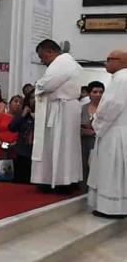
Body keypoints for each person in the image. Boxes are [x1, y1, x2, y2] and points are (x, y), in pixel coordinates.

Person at [32, 39, 83, 193]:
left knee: (62, 146)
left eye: (42, 57)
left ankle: (62, 182)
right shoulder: (64, 62)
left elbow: (47, 84)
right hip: (60, 108)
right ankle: (51, 179)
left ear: (50, 52)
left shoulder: (63, 62)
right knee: (56, 146)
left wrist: (38, 84)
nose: (42, 61)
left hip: (63, 109)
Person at [88, 51, 127, 218]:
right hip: (120, 130)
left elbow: (112, 106)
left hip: (114, 132)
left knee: (112, 170)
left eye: (109, 60)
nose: (106, 63)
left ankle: (111, 208)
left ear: (119, 61)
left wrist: (96, 122)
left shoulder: (121, 79)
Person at [0, 95, 22, 179]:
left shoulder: (21, 119)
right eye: (16, 101)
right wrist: (1, 143)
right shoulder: (1, 116)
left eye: (20, 103)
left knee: (9, 179)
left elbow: (22, 136)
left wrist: (13, 144)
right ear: (9, 104)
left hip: (13, 152)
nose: (18, 104)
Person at [9, 92, 35, 184]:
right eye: (32, 98)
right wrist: (23, 115)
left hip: (36, 154)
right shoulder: (22, 114)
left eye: (36, 97)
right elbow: (12, 128)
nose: (34, 100)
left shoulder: (43, 114)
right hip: (22, 152)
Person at [81, 80, 104, 182]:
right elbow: (74, 126)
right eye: (95, 92)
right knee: (84, 166)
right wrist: (82, 130)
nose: (98, 94)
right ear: (89, 94)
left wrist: (95, 131)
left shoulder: (106, 109)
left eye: (100, 92)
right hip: (84, 143)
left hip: (100, 143)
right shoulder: (82, 109)